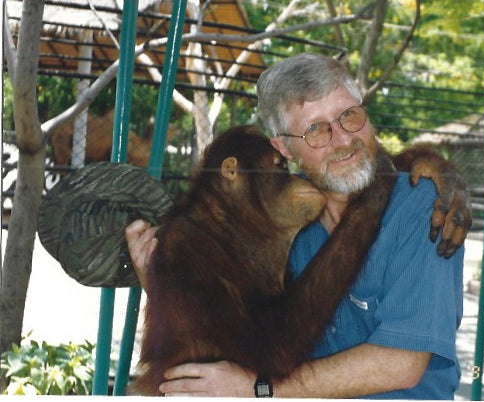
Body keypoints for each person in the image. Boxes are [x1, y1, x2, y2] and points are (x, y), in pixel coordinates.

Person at [126, 53, 464, 399]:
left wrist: (259, 388)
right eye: (315, 129)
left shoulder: (424, 206)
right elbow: (230, 329)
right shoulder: (279, 214)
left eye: (349, 115)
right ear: (285, 149)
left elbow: (402, 364)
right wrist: (159, 279)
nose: (342, 139)